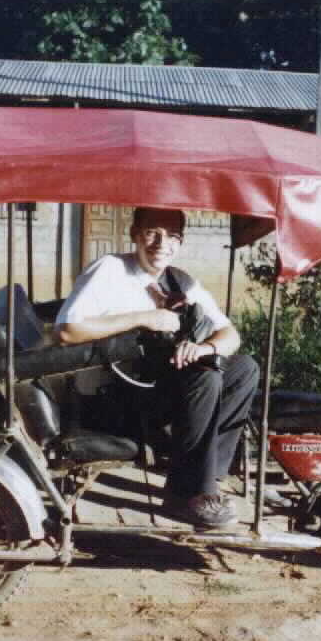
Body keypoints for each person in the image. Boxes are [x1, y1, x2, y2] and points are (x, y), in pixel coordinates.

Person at [56, 207, 259, 529]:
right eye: (153, 233)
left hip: (157, 390)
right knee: (205, 380)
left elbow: (230, 335)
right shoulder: (110, 269)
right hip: (114, 397)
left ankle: (207, 480)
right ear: (135, 234)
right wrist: (145, 317)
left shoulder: (180, 280)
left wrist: (204, 348)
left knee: (245, 368)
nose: (162, 243)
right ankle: (186, 494)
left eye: (172, 236)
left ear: (181, 241)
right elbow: (68, 330)